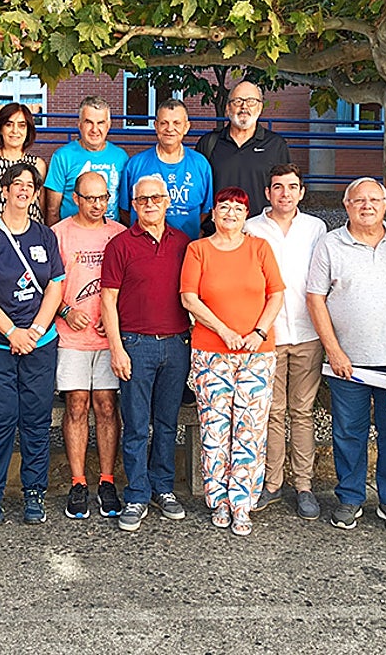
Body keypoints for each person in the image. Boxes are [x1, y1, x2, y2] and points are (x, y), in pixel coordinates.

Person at [304, 177, 386, 533]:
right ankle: (350, 498)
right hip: (347, 362)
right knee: (348, 432)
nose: (366, 206)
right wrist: (333, 350)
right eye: (359, 200)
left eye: (374, 200)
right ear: (346, 204)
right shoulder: (330, 244)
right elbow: (314, 298)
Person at [0, 161, 65, 526]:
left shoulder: (44, 236)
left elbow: (56, 284)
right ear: (4, 191)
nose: (23, 189)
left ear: (36, 194)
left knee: (36, 419)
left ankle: (34, 491)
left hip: (39, 341)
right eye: (16, 184)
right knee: (1, 417)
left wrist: (35, 331)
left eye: (30, 185)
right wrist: (11, 333)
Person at [180, 188, 284, 536]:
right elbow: (189, 298)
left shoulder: (260, 248)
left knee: (250, 429)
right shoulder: (198, 250)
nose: (230, 213)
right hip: (212, 353)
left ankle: (243, 502)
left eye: (238, 208)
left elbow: (276, 294)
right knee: (215, 428)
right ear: (213, 212)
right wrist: (223, 331)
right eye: (224, 207)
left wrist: (258, 331)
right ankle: (219, 501)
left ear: (246, 214)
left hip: (257, 353)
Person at [101, 175, 192, 532]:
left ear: (167, 201)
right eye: (142, 200)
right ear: (133, 204)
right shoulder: (120, 245)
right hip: (135, 344)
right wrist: (117, 349)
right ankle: (137, 494)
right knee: (137, 425)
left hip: (176, 344)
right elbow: (108, 300)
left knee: (167, 424)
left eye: (156, 198)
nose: (150, 204)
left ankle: (163, 488)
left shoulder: (184, 243)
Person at [243, 163, 329, 520]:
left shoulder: (316, 228)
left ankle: (305, 485)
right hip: (268, 332)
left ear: (301, 192)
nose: (285, 194)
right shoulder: (250, 228)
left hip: (309, 332)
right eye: (278, 187)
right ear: (268, 193)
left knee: (302, 411)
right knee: (272, 412)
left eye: (292, 187)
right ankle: (273, 483)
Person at [51, 171, 127, 519]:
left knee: (107, 406)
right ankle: (79, 481)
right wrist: (66, 311)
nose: (97, 205)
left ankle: (107, 481)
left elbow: (132, 287)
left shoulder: (119, 234)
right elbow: (45, 284)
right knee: (77, 405)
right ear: (76, 198)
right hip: (71, 336)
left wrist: (116, 320)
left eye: (103, 198)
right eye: (90, 198)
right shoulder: (59, 234)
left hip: (108, 337)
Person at [118, 98, 213, 238]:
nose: (170, 129)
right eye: (164, 123)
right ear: (156, 126)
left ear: (186, 127)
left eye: (176, 123)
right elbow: (125, 210)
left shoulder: (200, 164)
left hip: (186, 247)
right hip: (144, 248)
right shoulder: (136, 164)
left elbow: (205, 210)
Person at [195, 81, 290, 216]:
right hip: (218, 231)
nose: (244, 106)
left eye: (251, 101)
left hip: (260, 231)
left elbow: (285, 191)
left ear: (260, 107)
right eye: (237, 101)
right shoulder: (209, 143)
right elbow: (198, 192)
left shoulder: (276, 145)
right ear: (228, 108)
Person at [44, 96, 129, 223]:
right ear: (79, 125)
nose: (95, 129)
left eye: (100, 123)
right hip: (72, 236)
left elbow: (123, 206)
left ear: (108, 125)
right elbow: (52, 210)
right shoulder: (62, 157)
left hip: (110, 235)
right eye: (88, 122)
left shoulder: (120, 157)